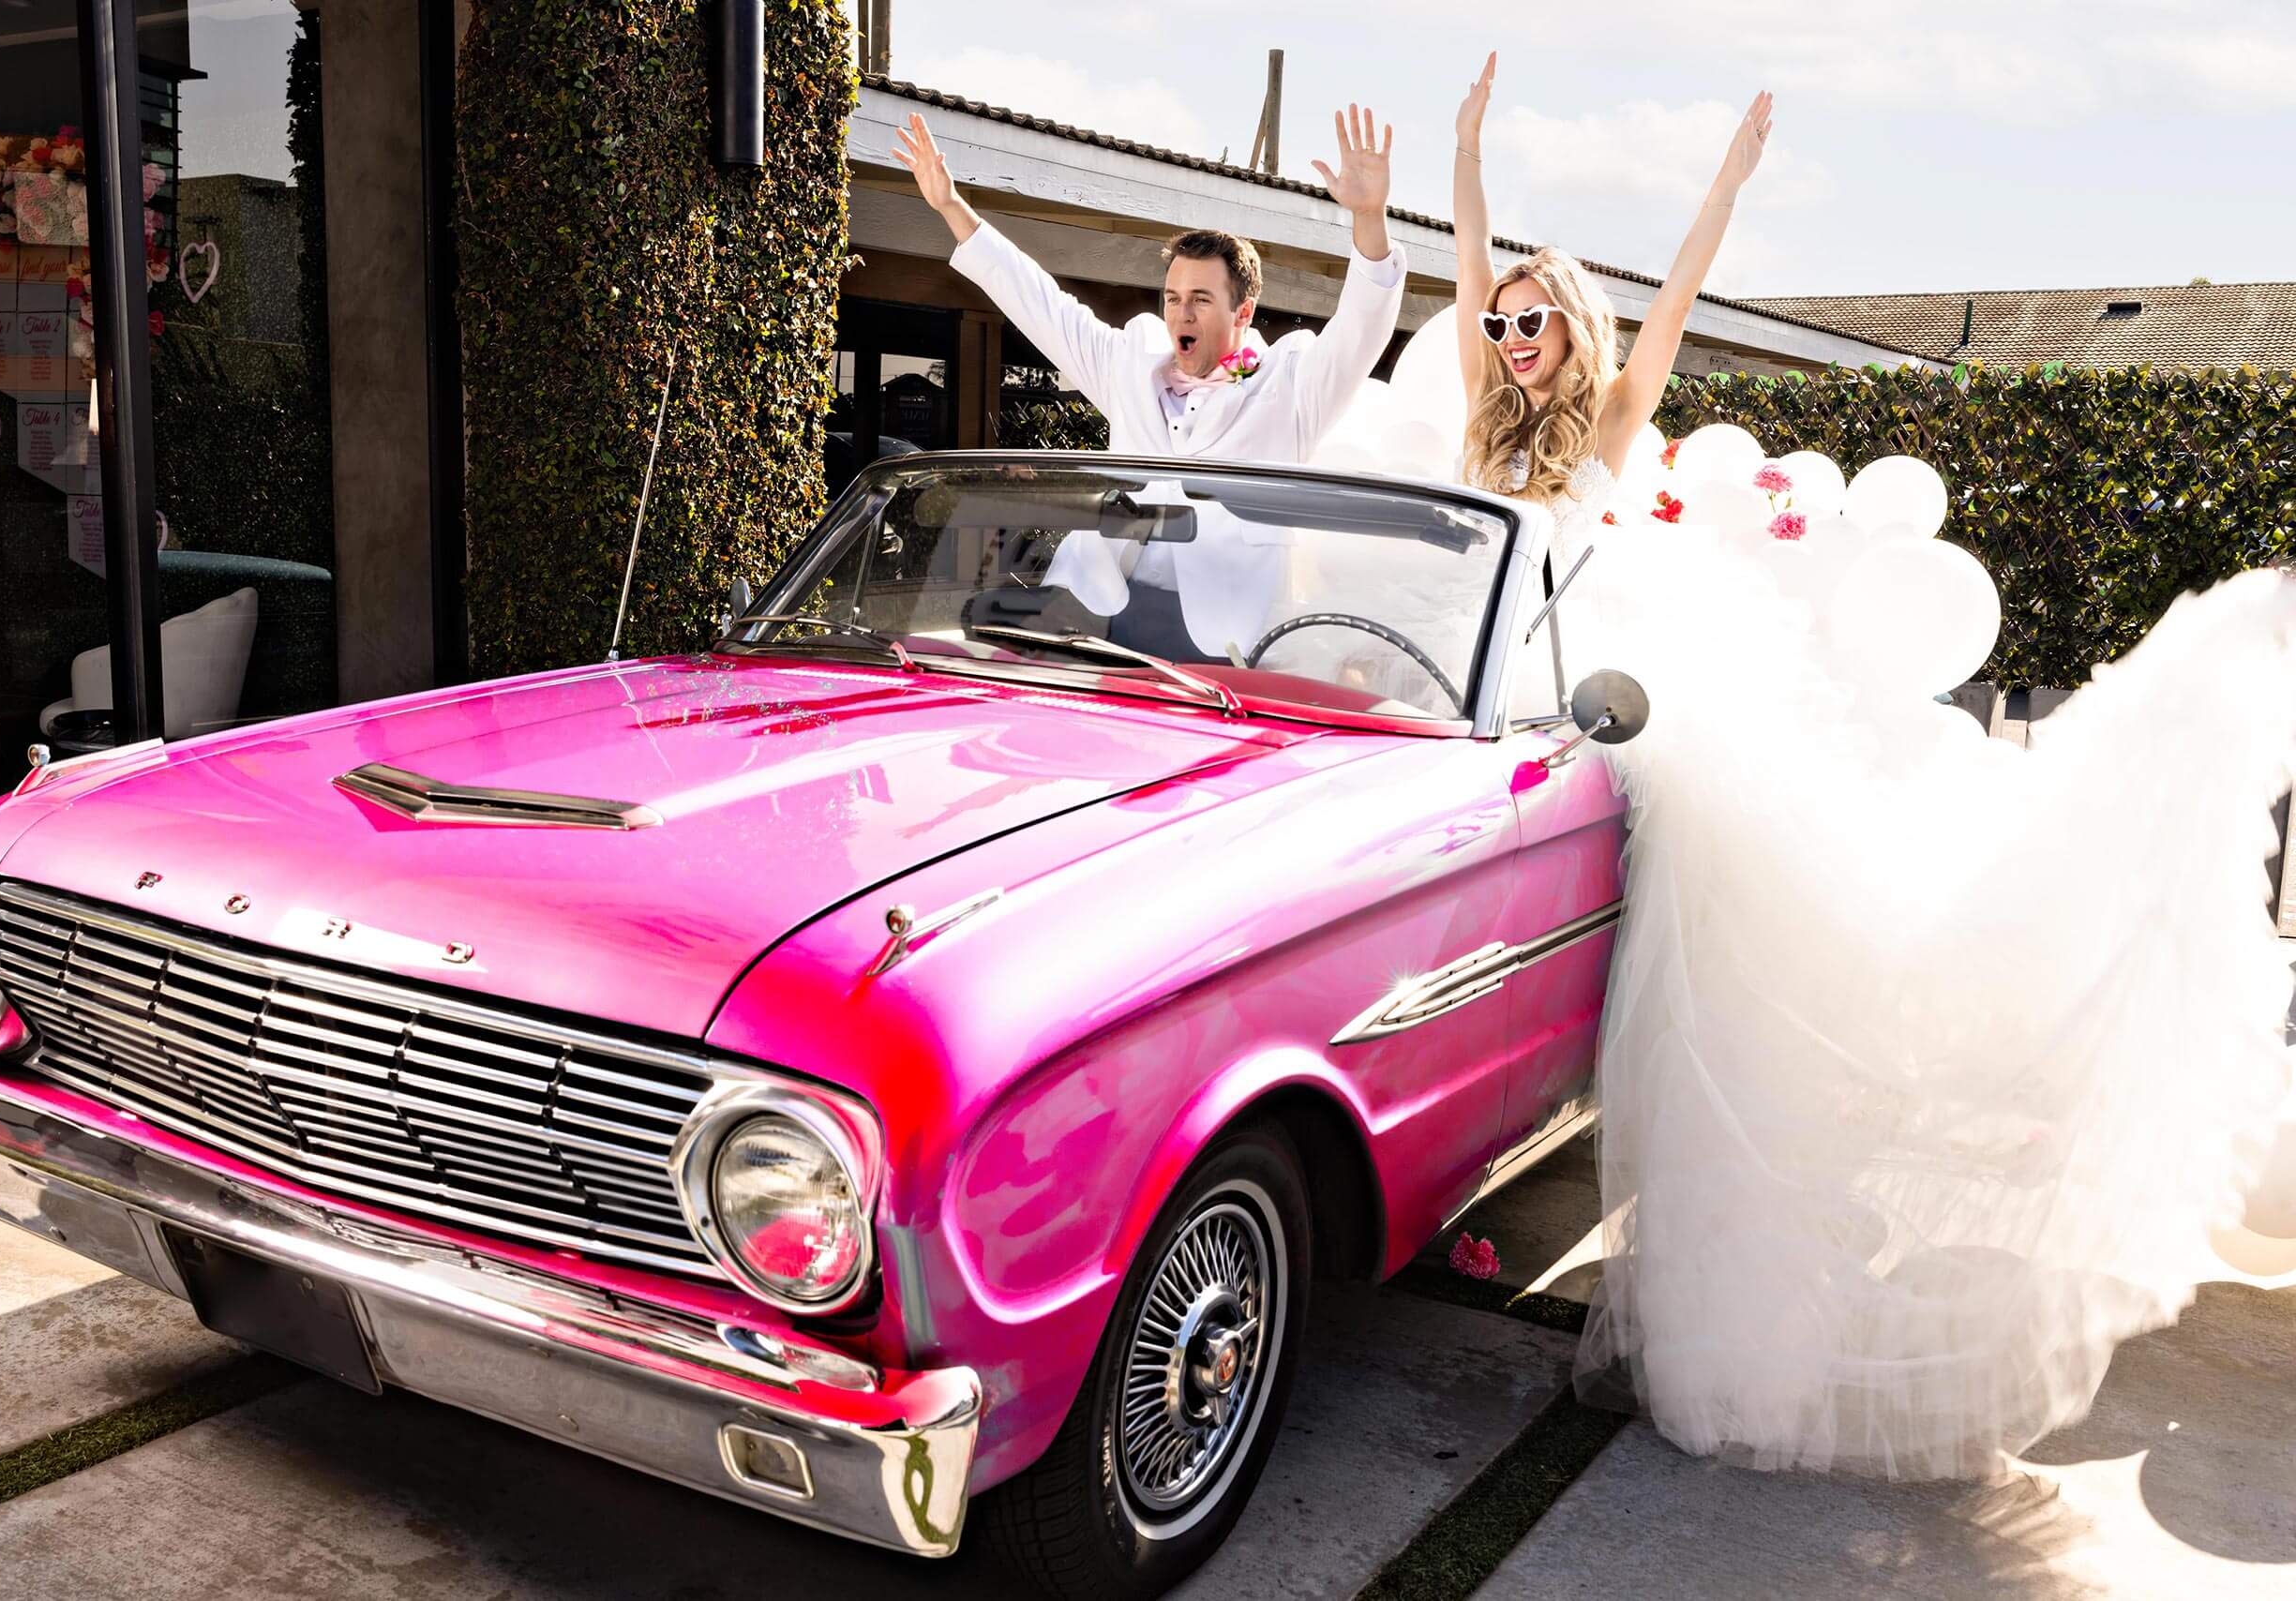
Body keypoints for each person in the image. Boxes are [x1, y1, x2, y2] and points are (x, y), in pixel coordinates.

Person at [1432, 51, 2296, 1477]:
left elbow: (1678, 303)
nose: (1514, 334)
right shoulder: (1482, 414)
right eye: (1505, 320)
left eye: (1536, 319)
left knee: (1711, 970)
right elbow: (1462, 276)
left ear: (1571, 329)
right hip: (1496, 688)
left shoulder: (1605, 420)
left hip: (1603, 693)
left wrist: (1724, 181)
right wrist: (1463, 155)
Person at [892, 108, 1409, 661]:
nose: (1181, 314)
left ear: (1244, 312)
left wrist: (1370, 219)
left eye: (1201, 300)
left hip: (1230, 636)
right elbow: (1040, 304)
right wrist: (951, 207)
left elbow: (1362, 326)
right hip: (1107, 616)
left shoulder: (1289, 386)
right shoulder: (1129, 368)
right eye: (1173, 298)